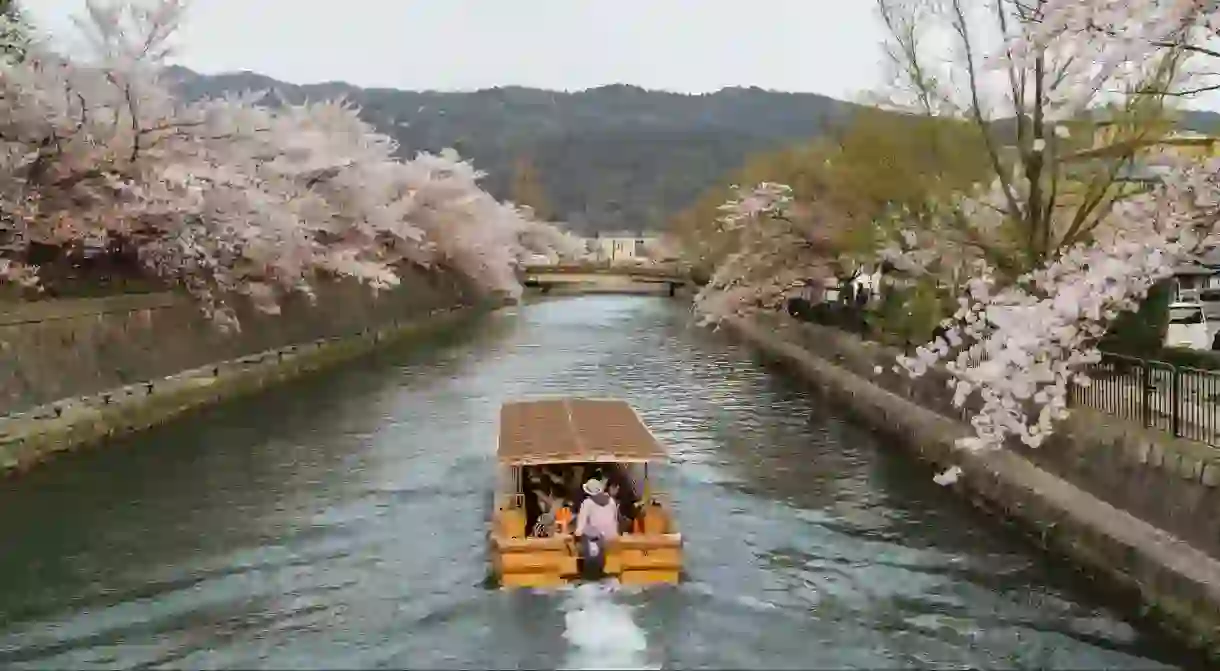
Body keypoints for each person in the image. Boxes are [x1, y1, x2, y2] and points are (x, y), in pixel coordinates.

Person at [574, 478, 619, 578]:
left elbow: (580, 528)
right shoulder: (611, 501)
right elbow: (615, 520)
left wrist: (576, 538)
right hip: (612, 539)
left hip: (596, 542)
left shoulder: (587, 503)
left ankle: (585, 573)